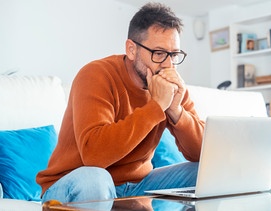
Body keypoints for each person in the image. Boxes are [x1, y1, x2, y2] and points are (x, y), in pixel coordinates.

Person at [36, 2, 205, 204]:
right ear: (132, 49)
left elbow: (202, 153)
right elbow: (94, 157)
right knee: (95, 179)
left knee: (207, 173)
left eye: (174, 55)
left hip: (138, 185)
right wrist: (156, 107)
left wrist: (176, 111)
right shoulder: (96, 75)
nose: (168, 64)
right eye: (159, 54)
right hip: (74, 183)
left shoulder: (170, 85)